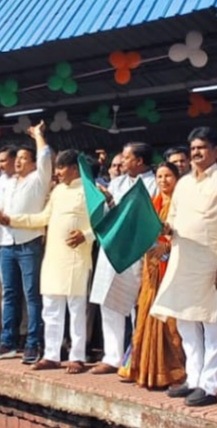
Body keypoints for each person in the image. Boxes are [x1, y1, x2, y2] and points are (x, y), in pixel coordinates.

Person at [151, 126, 217, 407]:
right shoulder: (184, 184)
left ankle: (209, 385)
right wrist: (166, 229)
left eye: (202, 148)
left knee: (211, 323)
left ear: (216, 150)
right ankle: (193, 378)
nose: (196, 153)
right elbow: (174, 218)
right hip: (182, 259)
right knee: (185, 321)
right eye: (193, 148)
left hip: (211, 262)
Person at [8, 150, 94, 374]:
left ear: (74, 169)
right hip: (54, 258)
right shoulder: (57, 191)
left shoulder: (89, 191)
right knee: (51, 309)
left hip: (76, 258)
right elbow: (43, 218)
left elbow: (102, 223)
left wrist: (85, 235)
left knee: (76, 310)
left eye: (61, 168)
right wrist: (11, 219)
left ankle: (77, 357)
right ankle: (51, 355)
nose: (57, 172)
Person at [90, 141, 158, 375]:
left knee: (138, 304)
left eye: (127, 158)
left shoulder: (154, 183)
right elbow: (109, 215)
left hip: (139, 250)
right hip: (113, 249)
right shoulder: (117, 182)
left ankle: (136, 357)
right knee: (109, 301)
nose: (122, 163)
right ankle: (112, 356)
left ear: (139, 161)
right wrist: (106, 200)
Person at [0, 122, 53, 364]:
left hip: (29, 243)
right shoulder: (8, 183)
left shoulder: (38, 179)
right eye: (18, 158)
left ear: (33, 164)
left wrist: (37, 135)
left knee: (32, 295)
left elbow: (45, 156)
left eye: (25, 158)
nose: (18, 162)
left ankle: (33, 343)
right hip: (6, 243)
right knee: (9, 294)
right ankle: (8, 342)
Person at [118, 162, 185, 389]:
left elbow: (187, 232)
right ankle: (144, 368)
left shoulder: (182, 204)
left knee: (170, 321)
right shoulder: (153, 203)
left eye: (168, 176)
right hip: (151, 267)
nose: (164, 181)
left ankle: (174, 371)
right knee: (146, 314)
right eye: (160, 177)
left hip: (173, 267)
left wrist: (167, 246)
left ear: (177, 178)